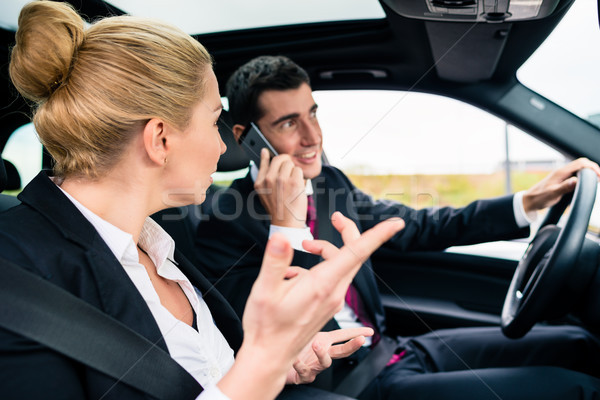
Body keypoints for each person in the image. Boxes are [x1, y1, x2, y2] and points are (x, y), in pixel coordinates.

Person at [0, 4, 405, 400]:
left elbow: (211, 377)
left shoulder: (157, 247)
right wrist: (261, 362)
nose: (222, 146)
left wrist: (276, 362)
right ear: (160, 139)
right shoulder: (18, 282)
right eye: (215, 122)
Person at [194, 55, 600, 399]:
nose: (312, 136)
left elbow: (419, 224)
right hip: (352, 383)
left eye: (313, 114)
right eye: (288, 124)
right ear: (247, 139)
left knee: (578, 344)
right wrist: (287, 220)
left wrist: (526, 203)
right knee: (577, 389)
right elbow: (278, 331)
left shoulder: (329, 183)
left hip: (394, 350)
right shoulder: (222, 220)